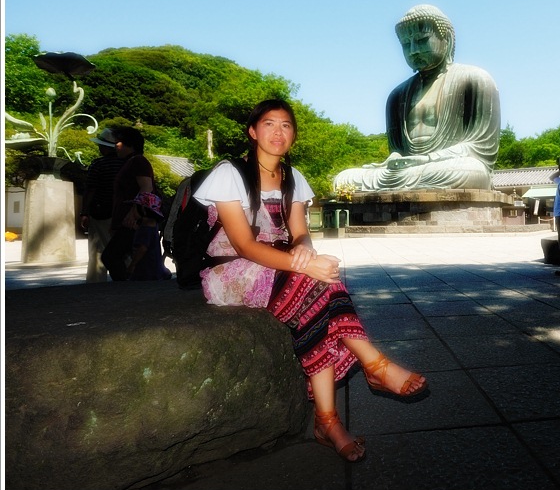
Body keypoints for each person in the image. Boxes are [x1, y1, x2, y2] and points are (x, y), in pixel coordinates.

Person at [192, 99, 427, 463]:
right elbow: (243, 245)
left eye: (286, 125)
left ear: (294, 135)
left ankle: (328, 421)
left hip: (280, 268)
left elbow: (300, 233)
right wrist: (302, 264)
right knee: (320, 283)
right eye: (269, 124)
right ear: (253, 132)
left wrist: (304, 252)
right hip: (234, 271)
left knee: (321, 297)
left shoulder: (293, 177)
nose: (278, 132)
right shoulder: (229, 173)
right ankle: (374, 366)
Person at [332, 4, 500, 191]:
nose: (413, 50)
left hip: (450, 166)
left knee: (472, 170)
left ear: (448, 39)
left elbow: (482, 149)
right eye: (406, 44)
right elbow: (398, 150)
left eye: (421, 40)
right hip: (410, 170)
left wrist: (428, 159)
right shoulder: (397, 95)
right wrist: (395, 159)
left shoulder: (474, 80)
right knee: (344, 179)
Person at [101, 126, 155, 280]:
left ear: (129, 144)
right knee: (118, 256)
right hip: (128, 218)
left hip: (132, 220)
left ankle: (124, 287)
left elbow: (147, 187)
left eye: (118, 143)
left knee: (111, 256)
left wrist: (134, 212)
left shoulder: (138, 161)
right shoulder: (131, 162)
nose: (115, 146)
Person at [79, 128, 126, 282]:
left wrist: (84, 212)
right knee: (122, 249)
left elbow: (90, 190)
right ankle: (125, 279)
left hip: (101, 212)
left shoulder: (98, 164)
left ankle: (96, 281)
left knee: (98, 250)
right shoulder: (127, 164)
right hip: (123, 212)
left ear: (106, 147)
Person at [124, 192, 172, 281]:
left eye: (134, 207)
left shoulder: (145, 229)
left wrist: (132, 265)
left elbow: (142, 248)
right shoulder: (153, 226)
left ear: (142, 209)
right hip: (154, 269)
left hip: (145, 271)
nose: (132, 210)